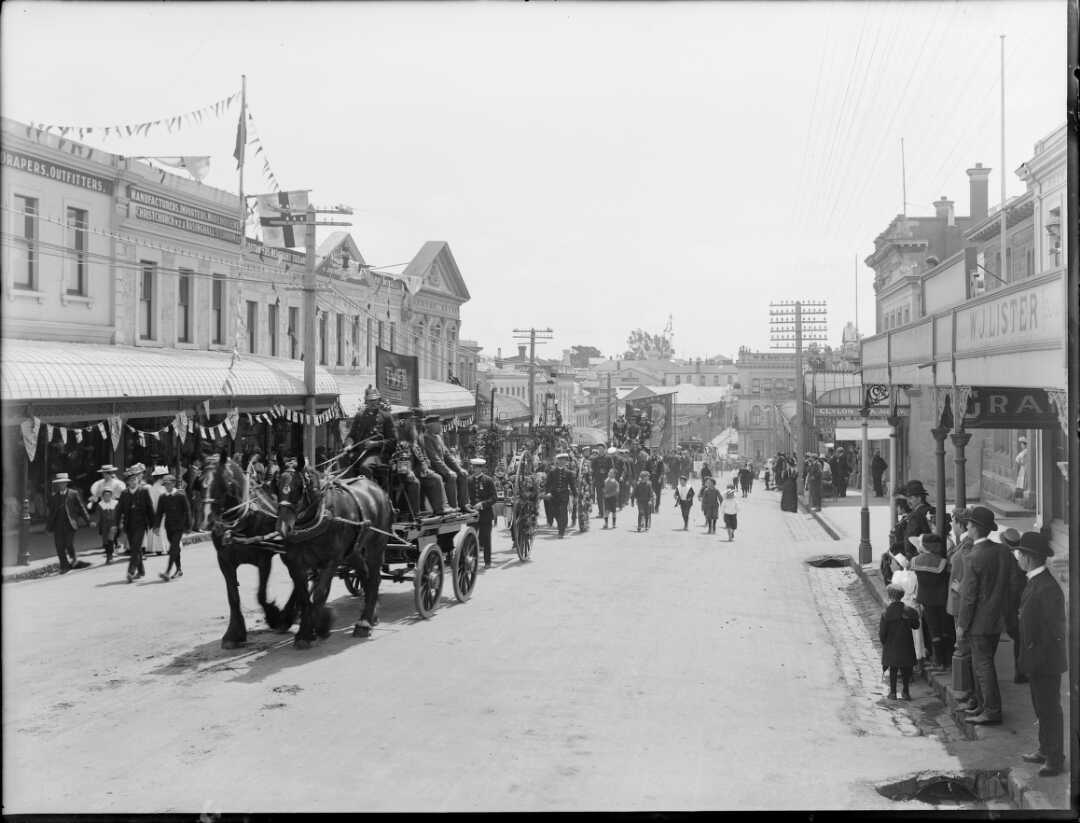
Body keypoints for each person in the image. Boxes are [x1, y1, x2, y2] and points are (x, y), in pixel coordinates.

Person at [1013, 531, 1067, 777]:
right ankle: (1045, 749)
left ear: (1028, 557)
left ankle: (1055, 759)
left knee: (1049, 709)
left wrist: (1037, 658)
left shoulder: (1046, 587)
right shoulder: (1035, 581)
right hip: (1036, 659)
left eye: (1019, 553)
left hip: (1045, 662)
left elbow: (1054, 630)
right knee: (1040, 708)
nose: (1017, 557)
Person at [956, 505, 1010, 725]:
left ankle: (991, 710)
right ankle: (982, 705)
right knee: (984, 664)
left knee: (983, 666)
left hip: (978, 621)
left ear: (976, 528)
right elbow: (1012, 583)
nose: (966, 526)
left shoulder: (973, 557)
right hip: (997, 619)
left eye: (969, 523)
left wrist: (961, 625)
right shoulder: (1002, 551)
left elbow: (969, 597)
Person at [394, 412, 452, 517]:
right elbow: (399, 456)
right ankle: (414, 513)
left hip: (415, 469)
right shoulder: (398, 437)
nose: (413, 423)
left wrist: (424, 465)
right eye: (410, 421)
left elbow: (419, 453)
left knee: (436, 478)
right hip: (401, 471)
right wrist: (408, 471)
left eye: (413, 421)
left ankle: (440, 508)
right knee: (415, 483)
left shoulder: (413, 436)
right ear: (403, 422)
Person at [910, 533, 952, 671]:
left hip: (925, 599)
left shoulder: (915, 561)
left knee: (933, 629)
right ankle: (945, 660)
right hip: (941, 599)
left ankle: (937, 660)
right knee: (944, 628)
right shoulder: (942, 562)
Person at [422, 415, 472, 512]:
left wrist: (459, 469)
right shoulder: (426, 438)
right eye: (439, 424)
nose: (441, 426)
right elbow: (434, 459)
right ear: (431, 425)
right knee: (451, 477)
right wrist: (448, 471)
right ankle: (453, 506)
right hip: (434, 469)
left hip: (441, 468)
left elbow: (447, 455)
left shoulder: (438, 437)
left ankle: (464, 505)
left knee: (463, 475)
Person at [879, 583, 920, 701]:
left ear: (890, 596)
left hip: (892, 645)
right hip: (906, 645)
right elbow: (916, 626)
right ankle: (906, 692)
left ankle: (892, 693)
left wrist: (884, 643)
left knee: (893, 668)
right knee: (906, 669)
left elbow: (882, 633)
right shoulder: (909, 611)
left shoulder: (886, 613)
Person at [45, 472, 90, 572]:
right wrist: (48, 528)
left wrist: (88, 520)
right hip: (58, 525)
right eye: (59, 483)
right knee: (59, 546)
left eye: (63, 483)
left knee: (69, 543)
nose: (61, 485)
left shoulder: (73, 493)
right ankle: (64, 566)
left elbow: (81, 507)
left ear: (66, 483)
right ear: (57, 484)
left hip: (70, 524)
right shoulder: (53, 496)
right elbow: (51, 513)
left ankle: (73, 557)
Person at [118, 466, 155, 583]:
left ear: (138, 480)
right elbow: (119, 510)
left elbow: (150, 508)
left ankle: (131, 572)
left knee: (134, 547)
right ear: (127, 482)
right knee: (137, 548)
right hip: (129, 525)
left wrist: (154, 524)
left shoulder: (144, 491)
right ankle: (141, 570)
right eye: (130, 480)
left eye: (135, 479)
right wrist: (115, 524)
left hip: (141, 524)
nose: (133, 482)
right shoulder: (124, 494)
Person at [155, 474, 192, 581]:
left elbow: (187, 510)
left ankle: (167, 571)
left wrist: (189, 525)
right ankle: (179, 569)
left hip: (179, 526)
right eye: (165, 484)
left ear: (174, 483)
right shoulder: (163, 497)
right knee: (175, 548)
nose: (167, 486)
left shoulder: (180, 495)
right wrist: (156, 526)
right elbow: (159, 513)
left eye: (169, 483)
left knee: (173, 548)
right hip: (169, 526)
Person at [468, 457, 498, 568]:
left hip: (485, 514)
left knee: (486, 538)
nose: (476, 469)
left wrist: (482, 504)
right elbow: (465, 496)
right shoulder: (468, 480)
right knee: (470, 538)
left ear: (481, 468)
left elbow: (494, 498)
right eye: (474, 467)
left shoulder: (488, 480)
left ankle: (487, 562)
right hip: (471, 514)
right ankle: (471, 561)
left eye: (478, 467)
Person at [546, 453, 577, 538]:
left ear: (566, 462)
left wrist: (575, 496)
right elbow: (548, 484)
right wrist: (548, 492)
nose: (562, 462)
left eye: (564, 460)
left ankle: (561, 531)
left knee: (563, 512)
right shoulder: (552, 472)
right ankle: (561, 526)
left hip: (564, 495)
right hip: (554, 495)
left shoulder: (569, 473)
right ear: (558, 461)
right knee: (556, 513)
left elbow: (572, 485)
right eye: (560, 460)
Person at [96, 487, 120, 564]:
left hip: (113, 525)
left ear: (111, 495)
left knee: (110, 539)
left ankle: (110, 556)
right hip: (104, 526)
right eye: (105, 495)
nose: (107, 497)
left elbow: (119, 514)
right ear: (102, 496)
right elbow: (97, 516)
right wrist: (94, 522)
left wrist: (120, 522)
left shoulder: (116, 503)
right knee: (105, 541)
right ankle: (108, 555)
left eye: (109, 495)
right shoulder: (100, 505)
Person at [1013, 436, 1029, 502]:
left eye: (1022, 444)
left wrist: (1021, 462)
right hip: (1023, 467)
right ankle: (1019, 495)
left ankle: (1023, 494)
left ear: (1025, 444)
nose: (1021, 445)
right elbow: (1017, 459)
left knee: (1024, 479)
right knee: (1021, 479)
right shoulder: (1024, 451)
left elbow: (1018, 458)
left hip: (1025, 467)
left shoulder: (1025, 451)